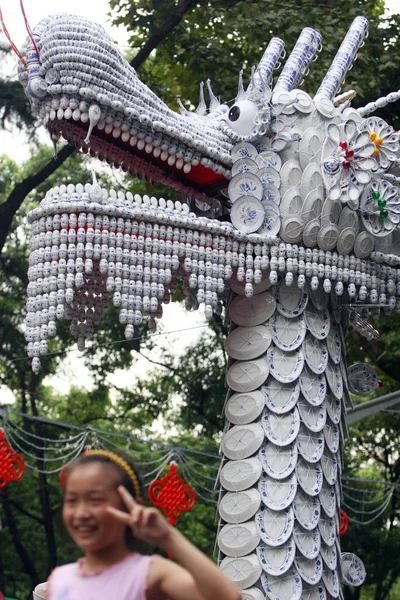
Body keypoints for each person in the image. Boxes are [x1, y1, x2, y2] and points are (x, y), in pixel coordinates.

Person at [44, 449, 241, 600]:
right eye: (71, 501)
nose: (81, 513)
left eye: (95, 500)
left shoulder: (148, 573)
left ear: (131, 507)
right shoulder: (59, 579)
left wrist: (167, 537)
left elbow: (228, 597)